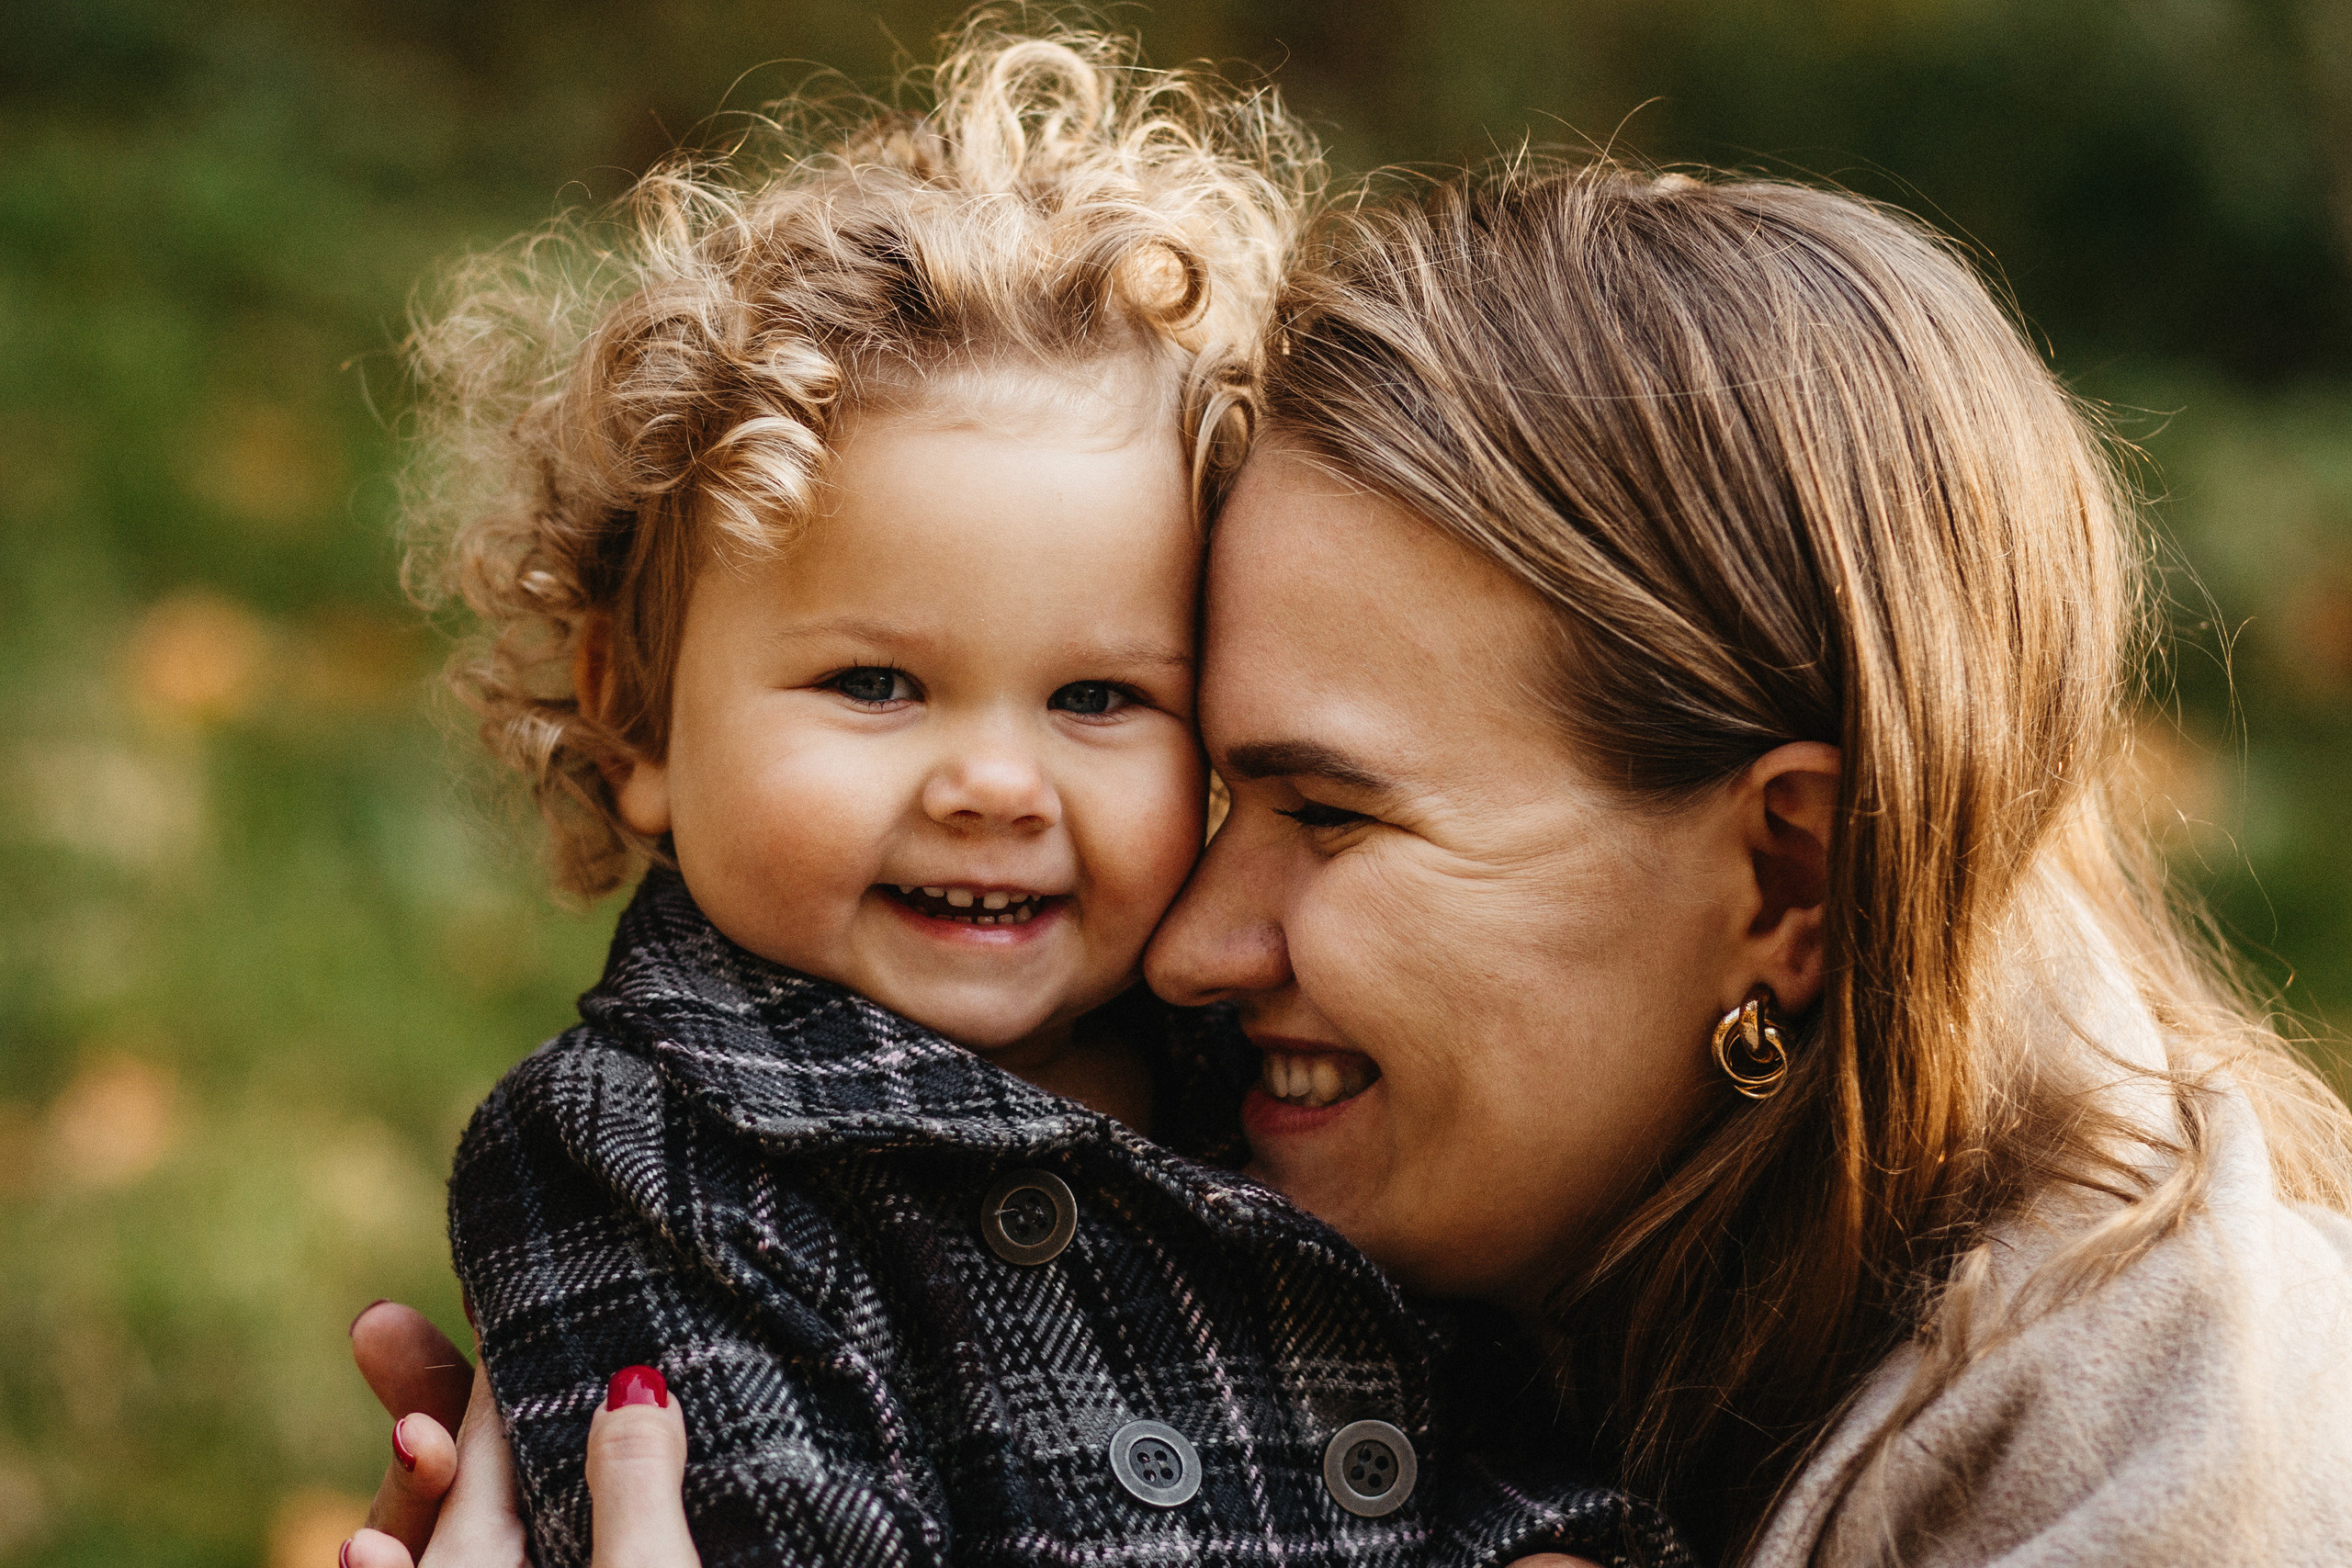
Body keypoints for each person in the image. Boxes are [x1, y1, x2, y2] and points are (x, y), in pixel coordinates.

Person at [359, 158, 2352, 1566]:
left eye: (1324, 809)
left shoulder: (2170, 1450)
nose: (1198, 941)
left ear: (1788, 879)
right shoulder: (1551, 1183)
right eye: (1219, 789)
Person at [347, 19, 1673, 1568]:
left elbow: (1456, 1404)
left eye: (1100, 699)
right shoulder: (639, 1151)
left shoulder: (1262, 1068)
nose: (993, 783)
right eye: (875, 685)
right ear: (632, 716)